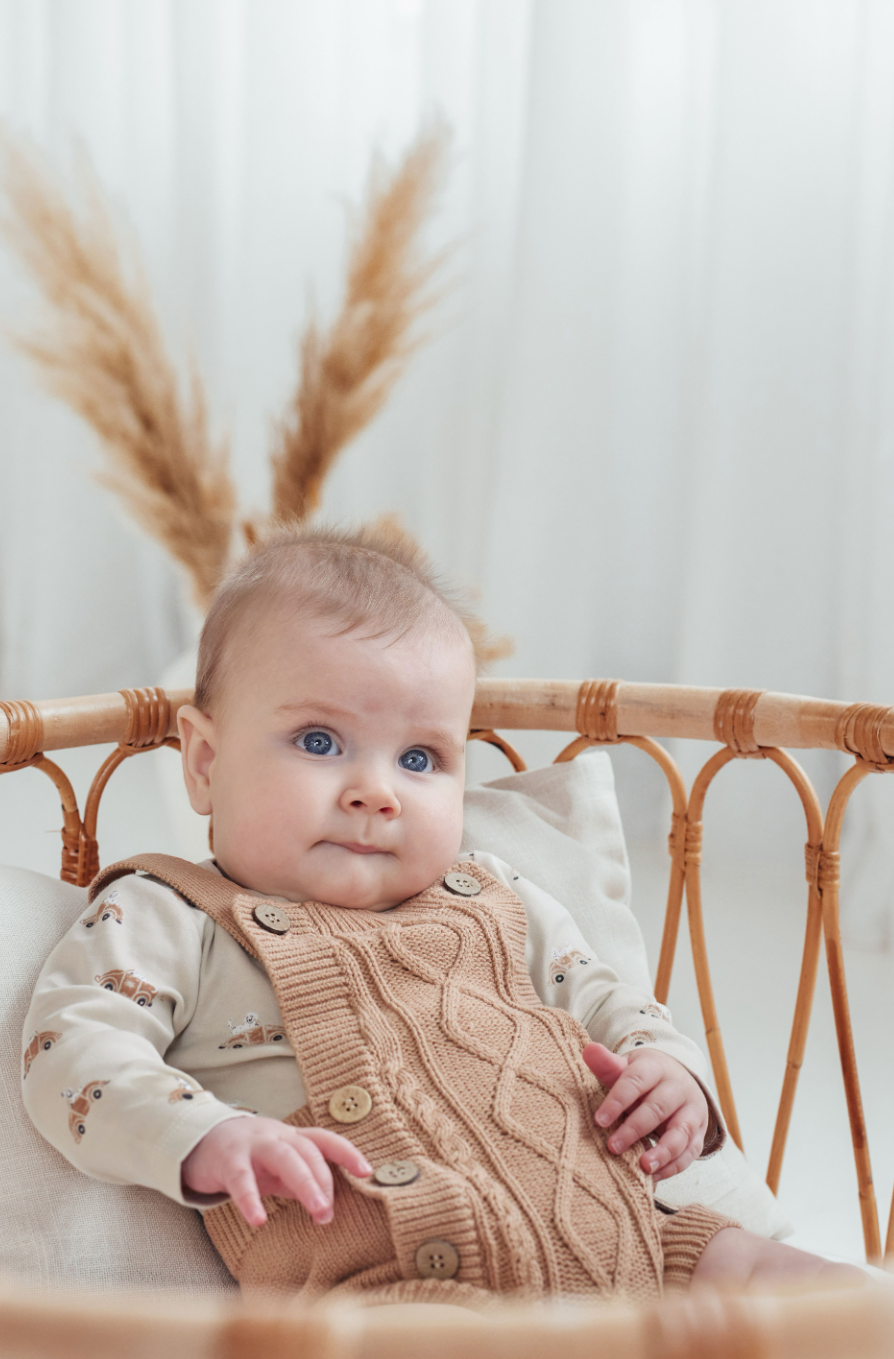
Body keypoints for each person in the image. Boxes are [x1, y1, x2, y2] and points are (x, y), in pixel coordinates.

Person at [22, 525, 863, 1303]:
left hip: (651, 1245)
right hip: (394, 1294)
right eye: (319, 741)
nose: (376, 792)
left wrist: (669, 1073)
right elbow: (77, 1049)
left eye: (420, 758)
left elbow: (614, 1005)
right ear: (204, 762)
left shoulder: (496, 894)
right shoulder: (172, 913)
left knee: (812, 1291)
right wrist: (204, 1139)